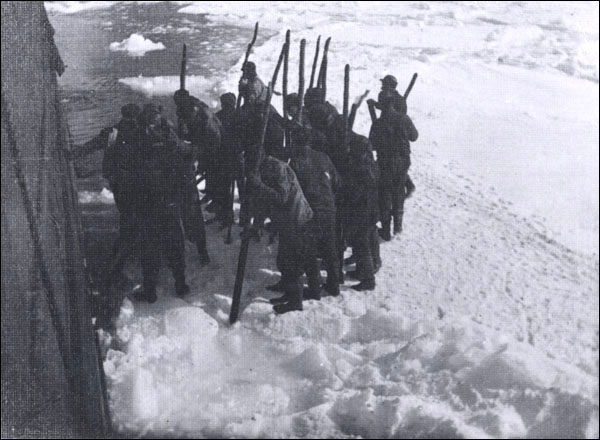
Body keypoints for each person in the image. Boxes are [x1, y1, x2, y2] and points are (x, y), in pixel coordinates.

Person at [131, 104, 190, 303]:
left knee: (151, 249)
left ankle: (150, 291)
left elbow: (137, 181)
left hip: (152, 207)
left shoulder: (142, 150)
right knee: (175, 245)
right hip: (171, 205)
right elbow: (185, 170)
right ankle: (180, 285)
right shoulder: (171, 145)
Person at [247, 150, 314, 314]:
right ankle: (287, 288)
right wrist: (257, 225)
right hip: (285, 221)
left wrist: (259, 186)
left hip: (297, 219)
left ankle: (295, 301)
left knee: (293, 262)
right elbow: (263, 202)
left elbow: (281, 197)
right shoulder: (261, 170)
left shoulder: (278, 168)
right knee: (284, 259)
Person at [286, 123, 341, 300]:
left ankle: (314, 288)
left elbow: (293, 189)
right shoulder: (323, 157)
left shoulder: (296, 161)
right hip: (329, 208)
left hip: (311, 211)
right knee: (330, 248)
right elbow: (337, 182)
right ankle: (333, 285)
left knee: (309, 250)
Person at [174, 93, 218, 264]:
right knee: (193, 216)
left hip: (184, 183)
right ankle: (200, 249)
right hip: (188, 181)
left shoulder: (194, 110)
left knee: (185, 217)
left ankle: (195, 248)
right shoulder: (194, 107)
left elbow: (200, 138)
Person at [369, 90, 418, 240]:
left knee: (384, 195)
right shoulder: (404, 119)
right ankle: (398, 226)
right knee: (398, 191)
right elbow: (414, 137)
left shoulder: (378, 124)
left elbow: (372, 145)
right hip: (403, 161)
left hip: (385, 162)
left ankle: (385, 230)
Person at [339, 135, 380, 291]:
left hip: (362, 212)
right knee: (364, 243)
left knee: (362, 245)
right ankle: (362, 272)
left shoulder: (361, 169)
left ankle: (368, 279)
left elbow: (355, 193)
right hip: (370, 211)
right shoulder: (372, 165)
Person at [215, 92, 242, 228]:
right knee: (242, 187)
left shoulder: (218, 117)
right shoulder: (241, 114)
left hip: (225, 157)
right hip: (238, 155)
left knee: (225, 189)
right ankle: (243, 217)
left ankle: (227, 216)